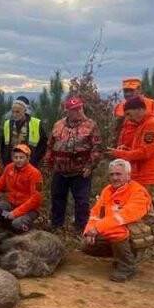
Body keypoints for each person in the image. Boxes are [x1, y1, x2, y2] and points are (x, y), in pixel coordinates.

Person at [83, 159, 153, 282]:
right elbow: (96, 213)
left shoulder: (138, 192)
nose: (115, 178)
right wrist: (89, 230)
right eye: (112, 174)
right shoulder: (108, 190)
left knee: (115, 231)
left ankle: (128, 266)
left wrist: (97, 228)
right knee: (88, 246)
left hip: (139, 230)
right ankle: (119, 256)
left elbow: (124, 216)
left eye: (118, 174)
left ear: (128, 175)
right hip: (115, 226)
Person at [44, 96, 101, 231]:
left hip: (80, 171)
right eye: (74, 110)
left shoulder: (91, 125)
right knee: (57, 198)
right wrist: (48, 164)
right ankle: (56, 226)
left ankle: (81, 228)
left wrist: (90, 166)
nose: (78, 112)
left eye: (80, 108)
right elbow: (50, 146)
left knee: (82, 201)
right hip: (60, 170)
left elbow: (97, 148)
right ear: (67, 111)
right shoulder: (58, 125)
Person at [0, 144, 43, 232]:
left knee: (17, 224)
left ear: (28, 158)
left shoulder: (36, 174)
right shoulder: (9, 168)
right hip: (12, 205)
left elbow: (36, 198)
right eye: (16, 157)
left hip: (29, 210)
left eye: (21, 157)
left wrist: (15, 213)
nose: (18, 160)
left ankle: (26, 227)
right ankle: (8, 222)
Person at [111, 96, 154, 189]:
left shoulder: (151, 125)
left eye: (129, 114)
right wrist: (127, 150)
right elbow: (143, 149)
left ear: (140, 110)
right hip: (141, 176)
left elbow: (144, 153)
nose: (128, 119)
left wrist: (120, 153)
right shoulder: (143, 125)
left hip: (147, 177)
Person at [114, 78, 154, 158]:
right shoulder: (119, 106)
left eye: (131, 90)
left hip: (144, 155)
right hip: (124, 155)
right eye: (125, 91)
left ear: (139, 90)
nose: (128, 94)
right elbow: (116, 131)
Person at [3, 96, 47, 167]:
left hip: (30, 164)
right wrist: (5, 162)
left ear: (25, 111)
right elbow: (3, 146)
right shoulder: (7, 124)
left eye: (17, 112)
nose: (14, 115)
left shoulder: (36, 123)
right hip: (11, 164)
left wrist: (35, 160)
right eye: (13, 112)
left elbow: (43, 145)